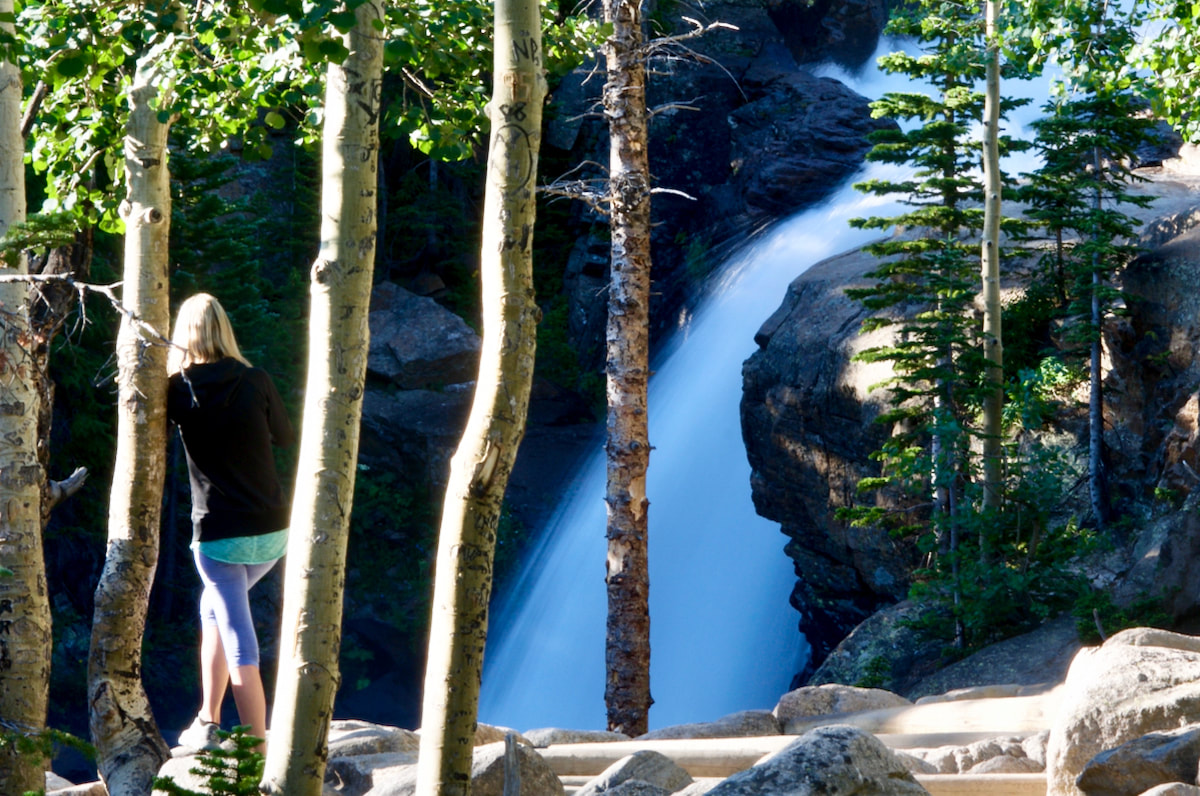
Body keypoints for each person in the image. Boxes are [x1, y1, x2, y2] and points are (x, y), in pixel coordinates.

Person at [167, 293, 294, 753]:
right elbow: (285, 436)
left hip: (220, 536)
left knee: (241, 641)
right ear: (224, 327)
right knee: (212, 611)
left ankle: (257, 749)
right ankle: (207, 719)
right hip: (273, 532)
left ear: (185, 333)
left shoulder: (178, 388)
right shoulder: (255, 379)